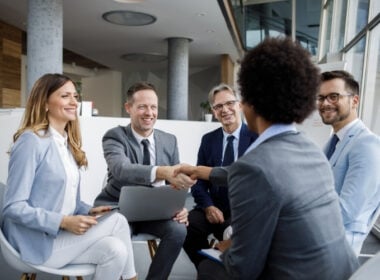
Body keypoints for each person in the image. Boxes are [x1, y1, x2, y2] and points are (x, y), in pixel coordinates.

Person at [176, 37, 359, 279]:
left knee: (210, 269)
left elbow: (244, 268)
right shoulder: (314, 151)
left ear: (248, 105)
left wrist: (220, 250)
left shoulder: (252, 167)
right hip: (344, 271)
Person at [2, 73, 137, 280]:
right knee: (118, 221)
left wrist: (89, 210)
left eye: (75, 96)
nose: (74, 102)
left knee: (116, 249)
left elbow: (62, 200)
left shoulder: (66, 144)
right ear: (44, 103)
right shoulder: (31, 142)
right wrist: (63, 222)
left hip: (60, 238)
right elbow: (13, 207)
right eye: (65, 96)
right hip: (35, 243)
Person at [94, 81, 195, 280]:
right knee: (116, 240)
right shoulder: (115, 136)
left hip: (156, 214)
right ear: (128, 108)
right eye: (142, 106)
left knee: (178, 230)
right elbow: (121, 169)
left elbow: (174, 183)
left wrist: (180, 208)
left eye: (153, 107)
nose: (149, 112)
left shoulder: (169, 140)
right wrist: (161, 172)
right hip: (118, 209)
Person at [183, 83, 257, 268]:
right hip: (212, 207)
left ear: (239, 105)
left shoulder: (256, 137)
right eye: (218, 106)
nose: (225, 110)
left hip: (243, 210)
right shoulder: (209, 140)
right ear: (213, 111)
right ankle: (206, 269)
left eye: (229, 103)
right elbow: (198, 181)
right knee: (184, 227)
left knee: (235, 236)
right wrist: (208, 206)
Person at [317, 70, 380, 255]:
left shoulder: (367, 145)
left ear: (354, 101)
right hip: (318, 244)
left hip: (336, 251)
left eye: (334, 96)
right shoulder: (333, 142)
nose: (325, 103)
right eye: (321, 98)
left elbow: (346, 212)